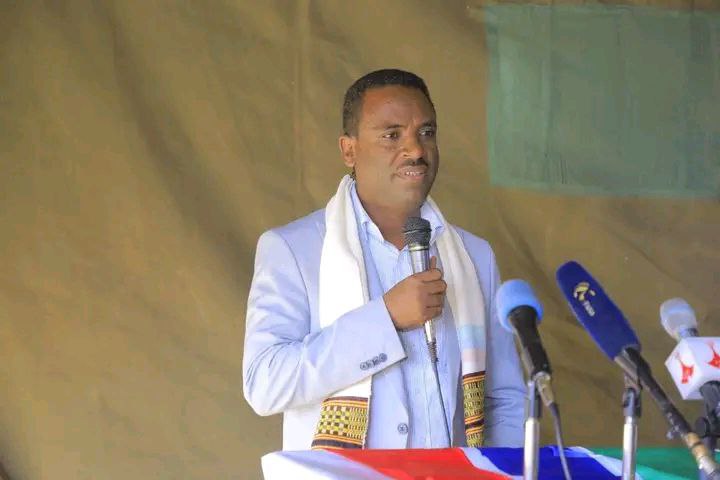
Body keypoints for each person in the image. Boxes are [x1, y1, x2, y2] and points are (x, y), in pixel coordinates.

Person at [243, 69, 525, 451]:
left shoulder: (474, 256)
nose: (416, 151)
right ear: (349, 150)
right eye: (392, 135)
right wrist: (385, 319)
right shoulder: (293, 249)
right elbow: (264, 383)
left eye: (426, 132)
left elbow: (505, 399)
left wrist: (498, 473)